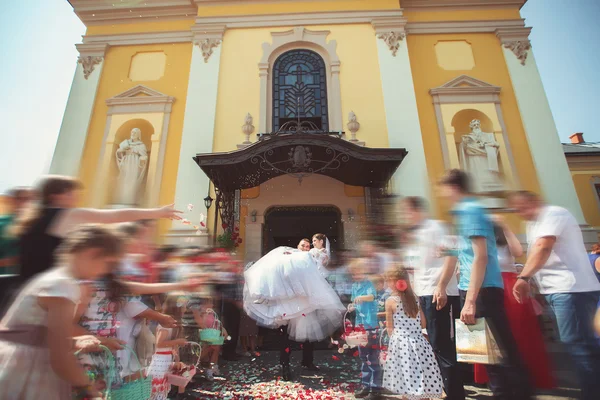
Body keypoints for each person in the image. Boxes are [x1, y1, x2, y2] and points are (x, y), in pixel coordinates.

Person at [0, 225, 125, 399]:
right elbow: (60, 358)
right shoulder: (63, 286)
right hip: (25, 370)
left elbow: (36, 334)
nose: (105, 271)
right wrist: (90, 389)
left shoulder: (54, 279)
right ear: (93, 253)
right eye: (109, 263)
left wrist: (73, 342)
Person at [439, 169, 531, 400]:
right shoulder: (462, 214)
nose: (441, 194)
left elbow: (481, 256)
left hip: (482, 291)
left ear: (454, 187)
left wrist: (470, 301)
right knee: (484, 353)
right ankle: (502, 393)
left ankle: (518, 394)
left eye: (443, 189)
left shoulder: (470, 211)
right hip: (471, 289)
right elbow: (466, 253)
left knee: (500, 349)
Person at [509, 190, 600, 400]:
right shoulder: (533, 224)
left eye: (521, 206)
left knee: (579, 345)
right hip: (557, 290)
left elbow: (543, 248)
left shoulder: (553, 214)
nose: (519, 212)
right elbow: (536, 254)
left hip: (571, 289)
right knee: (580, 344)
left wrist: (523, 278)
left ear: (534, 201)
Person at [10, 175, 181, 284]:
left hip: (26, 285)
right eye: (72, 193)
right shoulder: (64, 214)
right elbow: (110, 217)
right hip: (46, 288)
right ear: (56, 196)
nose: (76, 198)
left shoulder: (30, 220)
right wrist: (157, 212)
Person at [473, 216, 555, 389]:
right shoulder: (479, 243)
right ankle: (497, 379)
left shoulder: (503, 242)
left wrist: (505, 225)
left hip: (509, 287)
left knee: (519, 331)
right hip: (488, 286)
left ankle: (523, 376)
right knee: (491, 334)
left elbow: (518, 252)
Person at [401, 196, 465, 400]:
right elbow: (411, 266)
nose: (403, 216)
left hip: (438, 293)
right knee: (431, 344)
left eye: (406, 211)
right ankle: (442, 389)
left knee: (442, 345)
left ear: (416, 210)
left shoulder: (436, 228)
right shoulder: (414, 235)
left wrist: (441, 285)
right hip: (423, 293)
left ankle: (455, 394)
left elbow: (451, 255)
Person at [382, 265, 443, 400]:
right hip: (419, 343)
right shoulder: (414, 298)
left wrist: (393, 340)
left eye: (389, 280)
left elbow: (389, 326)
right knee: (421, 373)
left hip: (401, 344)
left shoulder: (390, 301)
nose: (388, 283)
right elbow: (423, 323)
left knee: (406, 377)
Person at [348, 258, 382, 400]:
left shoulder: (368, 283)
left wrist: (361, 298)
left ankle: (375, 388)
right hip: (361, 326)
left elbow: (372, 296)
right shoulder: (355, 285)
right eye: (354, 274)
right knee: (363, 357)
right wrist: (351, 306)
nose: (356, 276)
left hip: (370, 324)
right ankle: (366, 384)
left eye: (358, 273)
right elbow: (353, 300)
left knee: (372, 357)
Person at [148, 292, 189, 400]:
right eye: (184, 305)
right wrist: (177, 341)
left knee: (163, 391)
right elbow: (159, 344)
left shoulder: (174, 324)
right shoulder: (166, 323)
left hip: (166, 360)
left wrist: (177, 360)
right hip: (159, 362)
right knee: (156, 392)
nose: (185, 308)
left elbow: (174, 348)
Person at [0, 187, 33, 275]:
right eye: (23, 199)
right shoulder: (2, 223)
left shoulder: (37, 224)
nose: (28, 203)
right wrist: (15, 261)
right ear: (11, 200)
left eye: (32, 199)